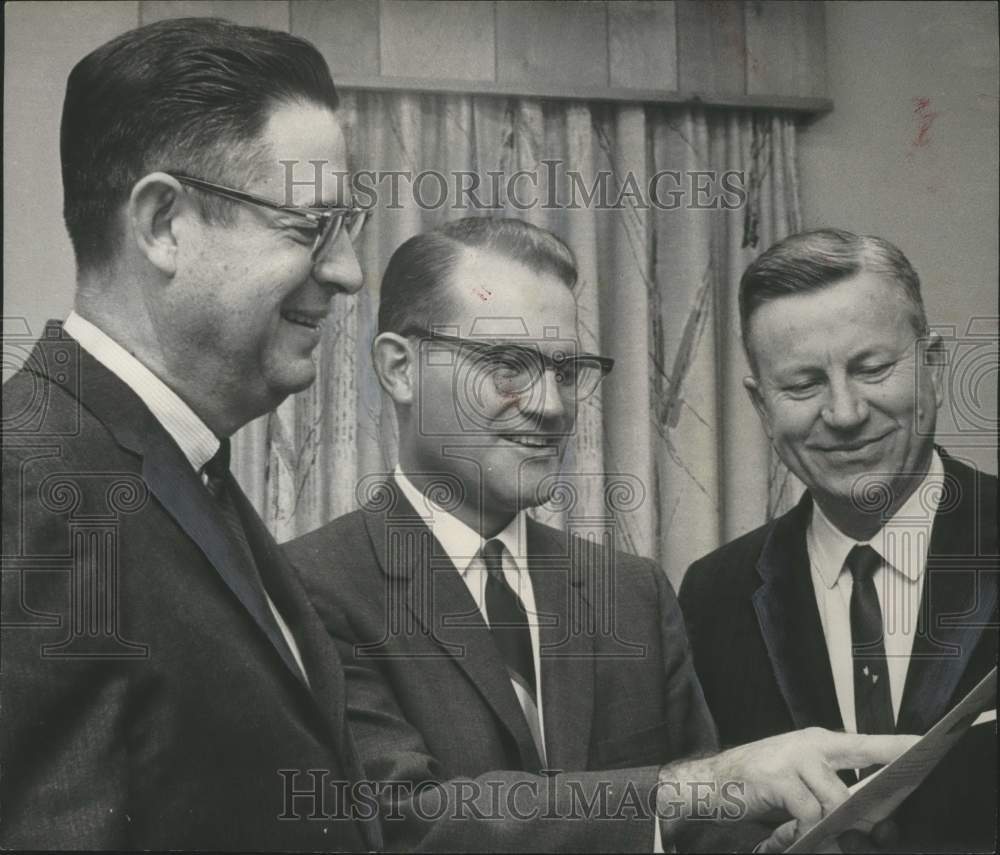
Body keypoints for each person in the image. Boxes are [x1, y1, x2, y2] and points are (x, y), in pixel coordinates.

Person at [285, 217, 917, 852]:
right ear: (400, 369)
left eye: (566, 370)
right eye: (509, 365)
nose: (552, 405)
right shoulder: (304, 590)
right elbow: (399, 822)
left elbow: (700, 831)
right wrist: (690, 788)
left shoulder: (632, 594)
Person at [0, 17, 379, 850]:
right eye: (312, 226)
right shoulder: (34, 485)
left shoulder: (181, 475)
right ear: (164, 222)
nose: (349, 272)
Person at [680, 228, 998, 852]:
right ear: (763, 406)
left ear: (933, 365)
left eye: (872, 368)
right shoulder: (711, 592)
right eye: (802, 385)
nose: (846, 413)